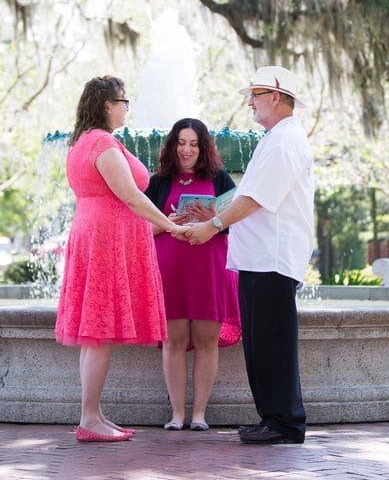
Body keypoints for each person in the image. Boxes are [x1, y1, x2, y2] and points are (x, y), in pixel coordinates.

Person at [55, 75, 191, 443]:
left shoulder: (82, 143)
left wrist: (164, 222)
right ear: (106, 106)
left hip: (94, 235)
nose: (127, 108)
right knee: (99, 334)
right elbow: (130, 196)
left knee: (93, 335)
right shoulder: (102, 144)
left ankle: (93, 414)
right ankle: (88, 418)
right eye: (123, 101)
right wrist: (170, 226)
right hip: (105, 241)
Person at [185, 66, 315, 445]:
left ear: (275, 97)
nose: (250, 102)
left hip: (272, 259)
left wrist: (213, 225)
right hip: (260, 258)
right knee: (262, 344)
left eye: (255, 95)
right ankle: (272, 418)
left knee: (273, 344)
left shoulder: (284, 141)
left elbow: (258, 199)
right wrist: (217, 213)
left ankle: (285, 422)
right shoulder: (276, 138)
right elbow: (249, 194)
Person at [145, 118, 241, 432]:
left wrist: (214, 219)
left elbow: (236, 223)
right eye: (181, 143)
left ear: (203, 147)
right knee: (173, 341)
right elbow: (140, 229)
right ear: (173, 146)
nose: (187, 150)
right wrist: (168, 221)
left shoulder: (221, 179)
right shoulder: (157, 182)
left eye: (193, 144)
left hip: (209, 270)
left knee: (205, 340)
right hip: (170, 270)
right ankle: (176, 415)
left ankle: (199, 414)